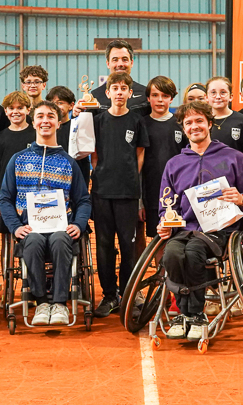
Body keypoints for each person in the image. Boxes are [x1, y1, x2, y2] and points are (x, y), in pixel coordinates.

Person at [157, 100, 243, 341]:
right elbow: (166, 204)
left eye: (199, 121)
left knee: (194, 252)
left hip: (219, 231)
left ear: (209, 124)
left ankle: (193, 314)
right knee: (171, 254)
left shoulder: (234, 157)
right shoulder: (174, 164)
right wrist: (164, 220)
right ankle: (186, 314)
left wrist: (241, 198)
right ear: (183, 129)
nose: (194, 127)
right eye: (188, 123)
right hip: (184, 230)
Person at [0, 101, 92, 326]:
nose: (45, 121)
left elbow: (83, 200)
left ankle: (60, 303)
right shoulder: (17, 159)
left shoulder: (70, 162)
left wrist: (78, 225)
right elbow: (5, 199)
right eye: (40, 116)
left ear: (59, 123)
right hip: (30, 229)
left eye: (51, 116)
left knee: (61, 239)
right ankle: (41, 302)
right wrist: (15, 226)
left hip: (61, 228)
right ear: (33, 122)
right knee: (32, 241)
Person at [90, 71, 149, 317]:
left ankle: (128, 293)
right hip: (102, 193)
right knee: (104, 245)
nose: (120, 92)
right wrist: (102, 173)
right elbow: (92, 154)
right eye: (115, 88)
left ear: (129, 93)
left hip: (127, 193)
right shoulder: (97, 121)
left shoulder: (136, 120)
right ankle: (109, 296)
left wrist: (128, 178)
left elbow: (139, 153)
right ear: (108, 93)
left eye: (124, 88)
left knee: (128, 245)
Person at [0, 91, 36, 264]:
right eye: (11, 108)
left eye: (20, 108)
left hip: (32, 196)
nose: (15, 111)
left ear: (28, 110)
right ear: (6, 111)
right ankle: (7, 276)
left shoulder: (36, 133)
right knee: (7, 239)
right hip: (8, 198)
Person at [141, 76, 185, 240]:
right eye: (155, 95)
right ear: (148, 98)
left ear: (172, 98)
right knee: (158, 238)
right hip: (152, 195)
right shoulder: (141, 124)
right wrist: (140, 200)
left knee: (179, 240)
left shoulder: (181, 124)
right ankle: (161, 267)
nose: (160, 100)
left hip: (180, 194)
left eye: (165, 96)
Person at [77, 40, 150, 116]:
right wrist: (76, 114)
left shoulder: (145, 94)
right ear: (108, 64)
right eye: (115, 60)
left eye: (124, 59)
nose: (120, 64)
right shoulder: (96, 96)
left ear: (131, 63)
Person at [48, 85, 92, 186]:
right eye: (52, 103)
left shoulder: (78, 127)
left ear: (71, 105)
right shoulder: (47, 130)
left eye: (60, 103)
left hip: (76, 181)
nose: (56, 106)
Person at [206, 76, 243, 154]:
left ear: (231, 96)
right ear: (206, 97)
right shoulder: (202, 121)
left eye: (223, 92)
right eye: (213, 93)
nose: (218, 96)